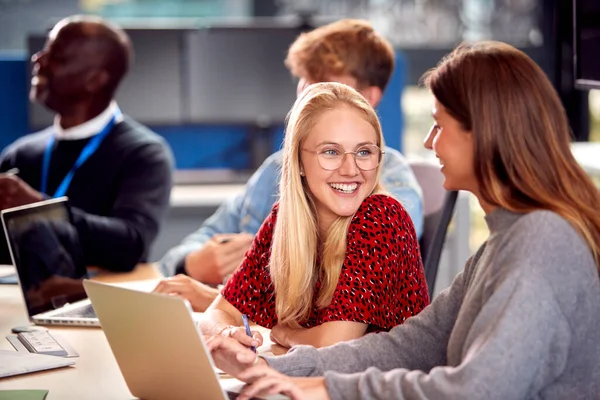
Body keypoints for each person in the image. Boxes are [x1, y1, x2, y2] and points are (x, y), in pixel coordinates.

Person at [206, 41, 600, 400]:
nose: (430, 142)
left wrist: (329, 390)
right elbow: (414, 344)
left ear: (483, 134)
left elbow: (476, 391)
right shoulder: (502, 243)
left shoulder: (543, 240)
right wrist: (273, 369)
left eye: (440, 125)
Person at [157, 19, 423, 291]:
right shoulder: (275, 168)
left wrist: (226, 297)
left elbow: (353, 277)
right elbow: (187, 249)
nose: (306, 96)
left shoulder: (393, 185)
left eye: (322, 84)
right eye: (304, 81)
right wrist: (192, 264)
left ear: (367, 97)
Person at [197, 82, 428, 350]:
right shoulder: (285, 221)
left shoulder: (381, 216)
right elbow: (217, 313)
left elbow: (335, 344)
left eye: (364, 152)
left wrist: (287, 334)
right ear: (298, 161)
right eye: (331, 152)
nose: (350, 169)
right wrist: (226, 334)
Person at [0, 15, 173, 271]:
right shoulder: (21, 154)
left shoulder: (143, 153)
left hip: (104, 302)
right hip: (22, 299)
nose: (38, 60)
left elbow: (129, 245)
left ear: (95, 80)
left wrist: (39, 210)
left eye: (56, 56)